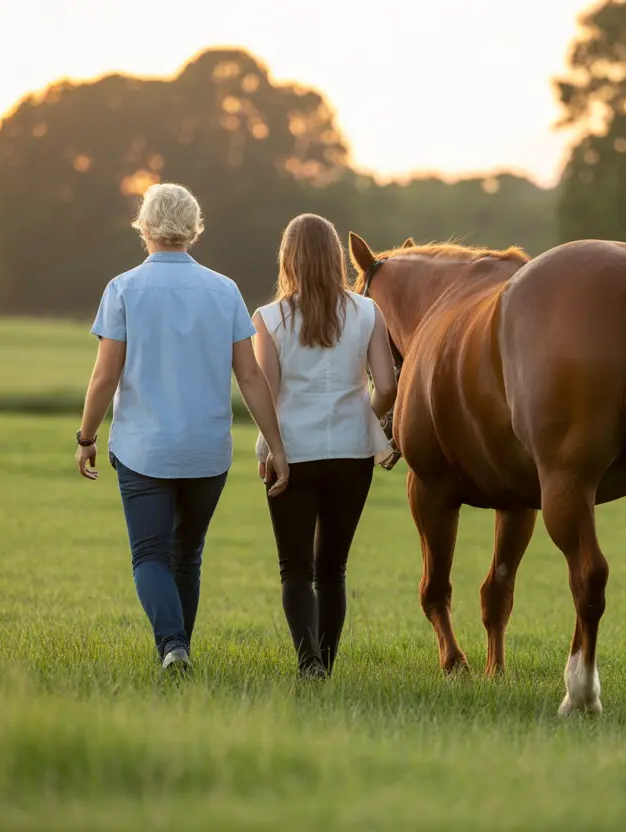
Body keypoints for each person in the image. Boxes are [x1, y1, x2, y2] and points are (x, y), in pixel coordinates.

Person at [75, 182, 290, 675]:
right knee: (186, 556)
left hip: (142, 448)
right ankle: (177, 652)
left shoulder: (123, 288)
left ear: (145, 227)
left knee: (150, 555)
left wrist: (86, 438)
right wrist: (276, 446)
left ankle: (173, 646)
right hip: (206, 451)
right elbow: (251, 375)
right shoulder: (224, 289)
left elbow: (106, 374)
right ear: (194, 228)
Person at [252, 213, 398, 679]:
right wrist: (365, 418)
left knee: (294, 568)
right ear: (335, 256)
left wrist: (266, 450)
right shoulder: (367, 311)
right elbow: (389, 385)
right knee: (332, 568)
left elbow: (267, 393)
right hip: (352, 452)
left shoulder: (269, 318)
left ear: (288, 258)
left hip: (291, 451)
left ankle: (308, 661)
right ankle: (326, 666)